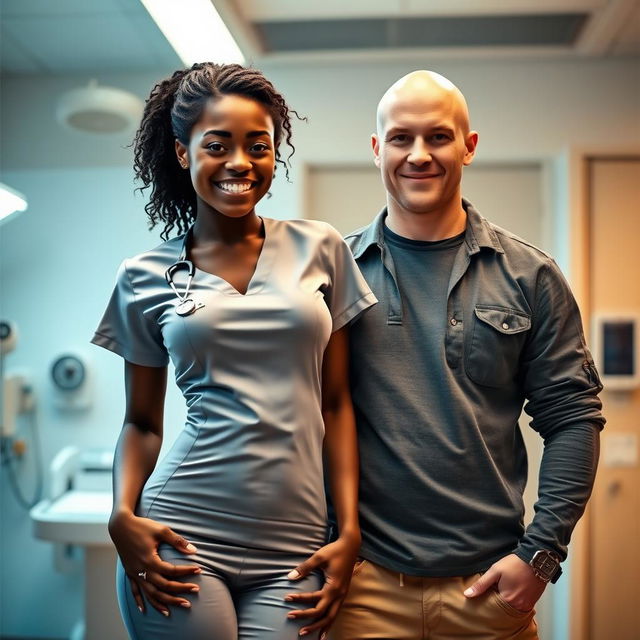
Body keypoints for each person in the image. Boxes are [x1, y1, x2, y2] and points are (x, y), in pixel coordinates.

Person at [298, 70, 603, 639]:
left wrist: (540, 558)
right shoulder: (330, 271)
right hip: (361, 589)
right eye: (400, 138)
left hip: (487, 592)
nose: (418, 155)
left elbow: (574, 420)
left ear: (469, 146)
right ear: (376, 149)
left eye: (438, 137)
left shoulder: (530, 276)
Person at [91, 62, 376, 640]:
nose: (240, 163)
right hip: (181, 532)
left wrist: (349, 531)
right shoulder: (144, 275)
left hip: (296, 547)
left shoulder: (320, 247)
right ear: (181, 152)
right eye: (217, 145)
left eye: (258, 145)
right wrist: (122, 513)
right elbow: (142, 422)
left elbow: (338, 405)